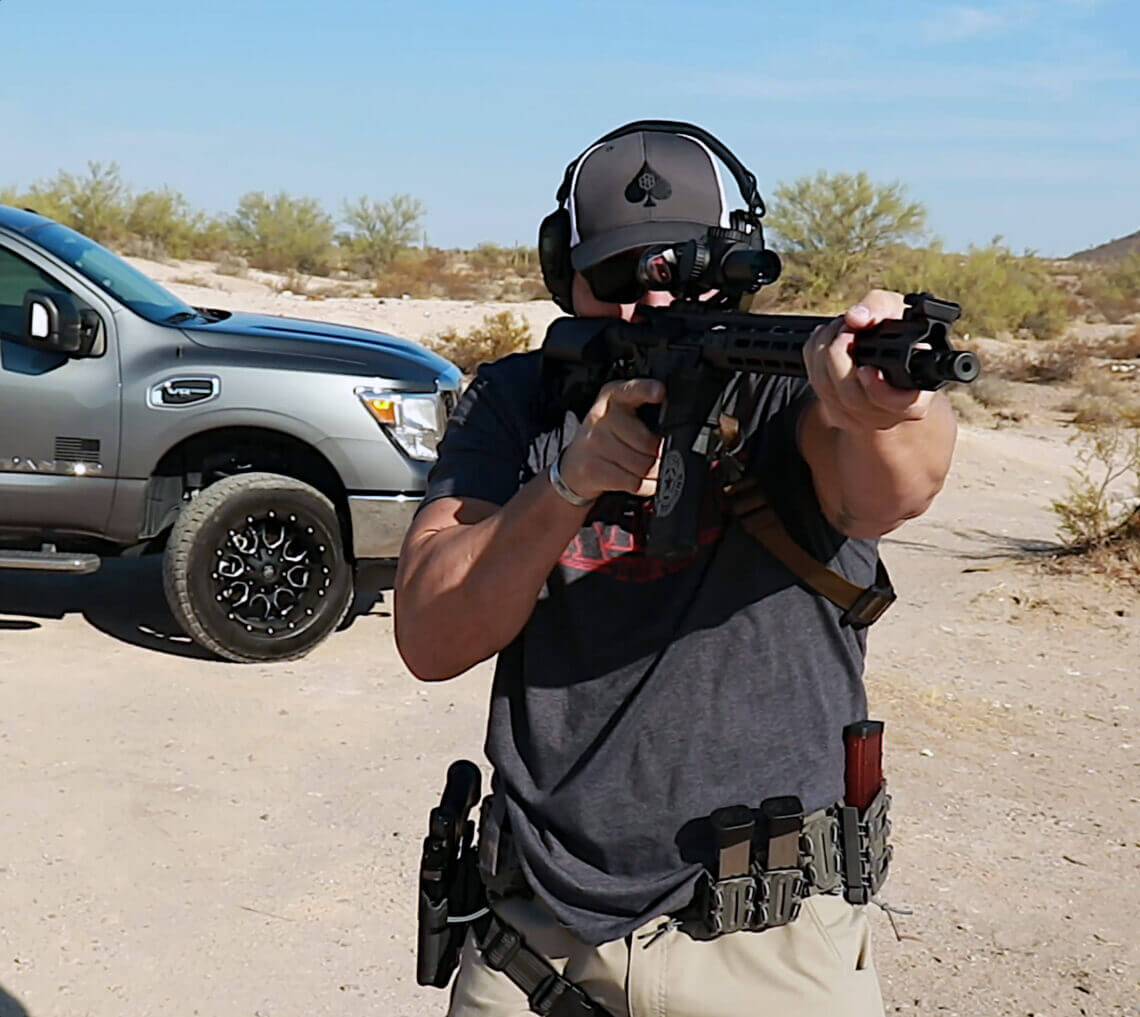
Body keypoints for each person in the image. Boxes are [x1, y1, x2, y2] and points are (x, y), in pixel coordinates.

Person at [394, 121, 959, 1017]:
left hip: (766, 943)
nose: (655, 305)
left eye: (688, 272)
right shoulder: (520, 399)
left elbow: (892, 489)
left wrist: (888, 405)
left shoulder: (786, 390)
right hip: (539, 939)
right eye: (620, 278)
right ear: (563, 274)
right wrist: (567, 481)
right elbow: (430, 634)